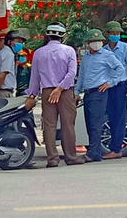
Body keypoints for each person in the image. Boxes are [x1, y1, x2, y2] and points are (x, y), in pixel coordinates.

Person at [25, 22, 85, 167]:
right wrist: (59, 89)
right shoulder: (69, 50)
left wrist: (31, 95)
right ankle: (71, 157)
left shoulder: (39, 52)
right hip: (64, 92)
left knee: (49, 126)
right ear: (63, 36)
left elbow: (35, 77)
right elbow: (71, 74)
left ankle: (52, 159)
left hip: (47, 92)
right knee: (67, 125)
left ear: (47, 35)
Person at [74, 29, 125, 163]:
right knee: (89, 123)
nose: (96, 43)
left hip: (99, 92)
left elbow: (120, 69)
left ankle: (92, 153)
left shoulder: (107, 55)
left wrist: (110, 83)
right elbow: (82, 75)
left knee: (96, 124)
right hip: (88, 93)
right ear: (89, 42)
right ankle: (95, 152)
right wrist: (76, 92)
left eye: (99, 41)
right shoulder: (86, 57)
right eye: (94, 41)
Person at [102, 21, 127, 160]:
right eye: (113, 33)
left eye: (118, 33)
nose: (116, 35)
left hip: (121, 85)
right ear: (107, 34)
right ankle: (112, 146)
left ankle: (116, 149)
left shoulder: (125, 47)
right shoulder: (103, 50)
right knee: (110, 117)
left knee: (120, 118)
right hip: (108, 86)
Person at [0, 29, 28, 100]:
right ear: (9, 42)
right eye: (18, 41)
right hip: (3, 93)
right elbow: (2, 76)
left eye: (21, 42)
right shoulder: (9, 55)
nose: (20, 44)